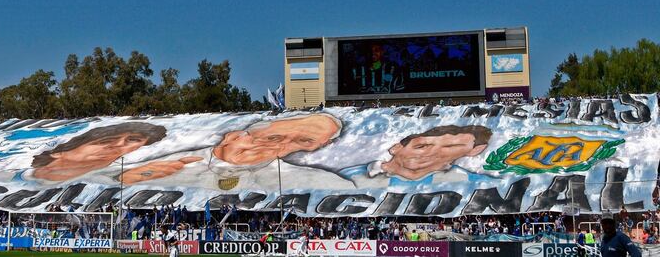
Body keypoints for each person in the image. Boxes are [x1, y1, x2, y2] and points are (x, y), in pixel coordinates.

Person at [119, 114, 354, 190]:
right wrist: (126, 178)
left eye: (302, 142)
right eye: (273, 136)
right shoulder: (170, 162)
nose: (275, 146)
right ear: (233, 135)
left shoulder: (316, 180)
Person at [340, 125, 495, 187]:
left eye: (451, 147)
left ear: (474, 151)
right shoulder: (349, 177)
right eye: (421, 146)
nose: (432, 152)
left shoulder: (472, 182)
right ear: (396, 148)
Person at [24, 122, 166, 182]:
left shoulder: (113, 181)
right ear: (60, 151)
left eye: (132, 140)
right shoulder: (13, 178)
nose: (118, 146)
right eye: (104, 141)